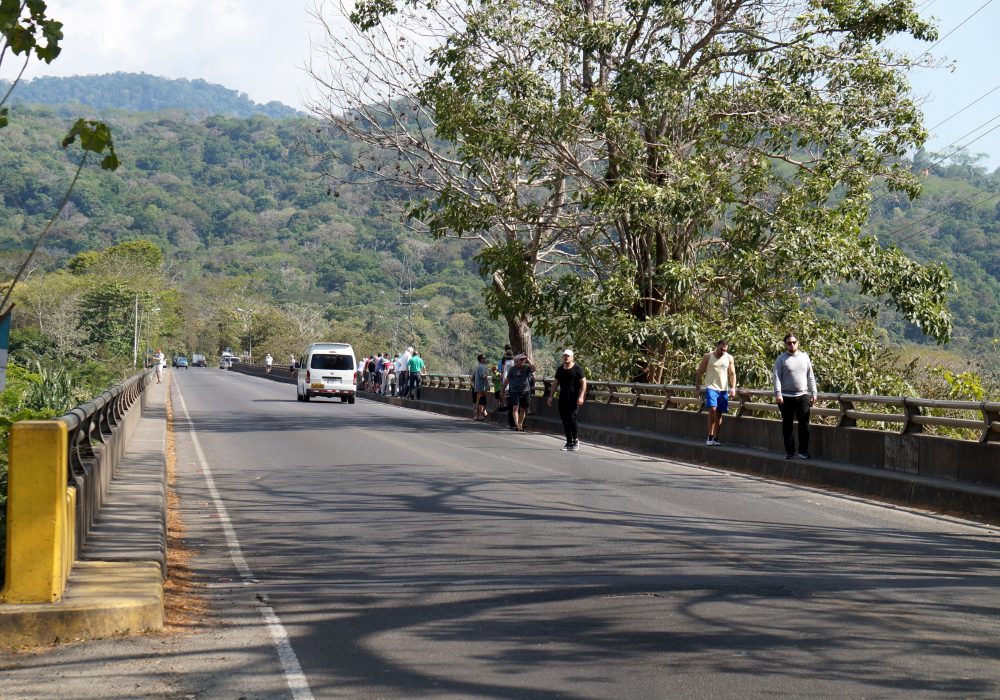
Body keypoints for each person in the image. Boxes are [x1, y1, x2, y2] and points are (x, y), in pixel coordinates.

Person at [773, 333, 817, 459]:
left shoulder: (805, 357)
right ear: (785, 344)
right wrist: (778, 393)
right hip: (786, 396)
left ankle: (803, 451)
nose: (792, 345)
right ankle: (790, 452)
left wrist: (814, 392)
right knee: (788, 425)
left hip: (803, 395)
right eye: (789, 343)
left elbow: (810, 376)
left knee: (804, 424)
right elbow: (776, 377)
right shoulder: (781, 359)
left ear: (798, 343)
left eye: (794, 342)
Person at [695, 340, 737, 446]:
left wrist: (733, 388)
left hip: (723, 389)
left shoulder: (729, 358)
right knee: (713, 409)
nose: (722, 351)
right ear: (717, 346)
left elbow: (732, 374)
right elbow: (700, 372)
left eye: (725, 350)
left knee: (719, 413)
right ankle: (710, 435)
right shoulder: (708, 356)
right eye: (721, 349)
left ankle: (716, 438)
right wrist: (697, 387)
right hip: (711, 387)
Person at [548, 349, 586, 450]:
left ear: (572, 357)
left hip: (574, 399)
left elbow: (583, 382)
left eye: (568, 356)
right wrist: (551, 396)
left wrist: (581, 396)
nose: (566, 357)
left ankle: (576, 440)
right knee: (565, 420)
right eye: (564, 356)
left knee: (572, 418)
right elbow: (555, 383)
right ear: (562, 357)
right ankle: (569, 442)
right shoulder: (560, 369)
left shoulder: (577, 368)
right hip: (563, 398)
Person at [502, 353, 533, 431]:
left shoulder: (527, 367)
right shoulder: (512, 369)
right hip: (514, 391)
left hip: (525, 390)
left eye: (523, 359)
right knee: (515, 407)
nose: (523, 361)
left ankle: (520, 424)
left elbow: (534, 369)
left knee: (523, 408)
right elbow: (507, 380)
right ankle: (516, 424)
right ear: (516, 361)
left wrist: (528, 361)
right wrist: (503, 389)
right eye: (521, 359)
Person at [472, 354, 491, 420]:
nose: (485, 359)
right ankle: (480, 416)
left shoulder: (478, 366)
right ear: (481, 359)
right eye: (484, 358)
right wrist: (487, 384)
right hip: (482, 386)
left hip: (477, 386)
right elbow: (482, 376)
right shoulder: (482, 366)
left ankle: (476, 416)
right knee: (481, 402)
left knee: (478, 401)